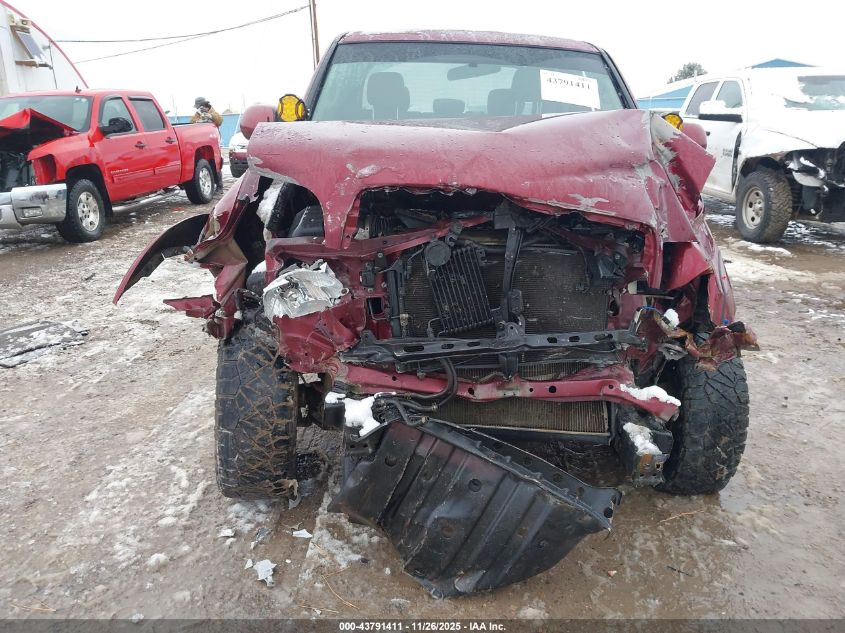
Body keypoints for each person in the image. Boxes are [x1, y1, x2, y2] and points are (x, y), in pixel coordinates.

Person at [190, 97, 224, 192]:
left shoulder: (213, 111)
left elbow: (220, 120)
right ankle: (211, 184)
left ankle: (220, 186)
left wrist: (210, 115)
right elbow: (191, 122)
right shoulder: (197, 114)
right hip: (203, 143)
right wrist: (199, 115)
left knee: (216, 162)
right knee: (206, 163)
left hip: (213, 141)